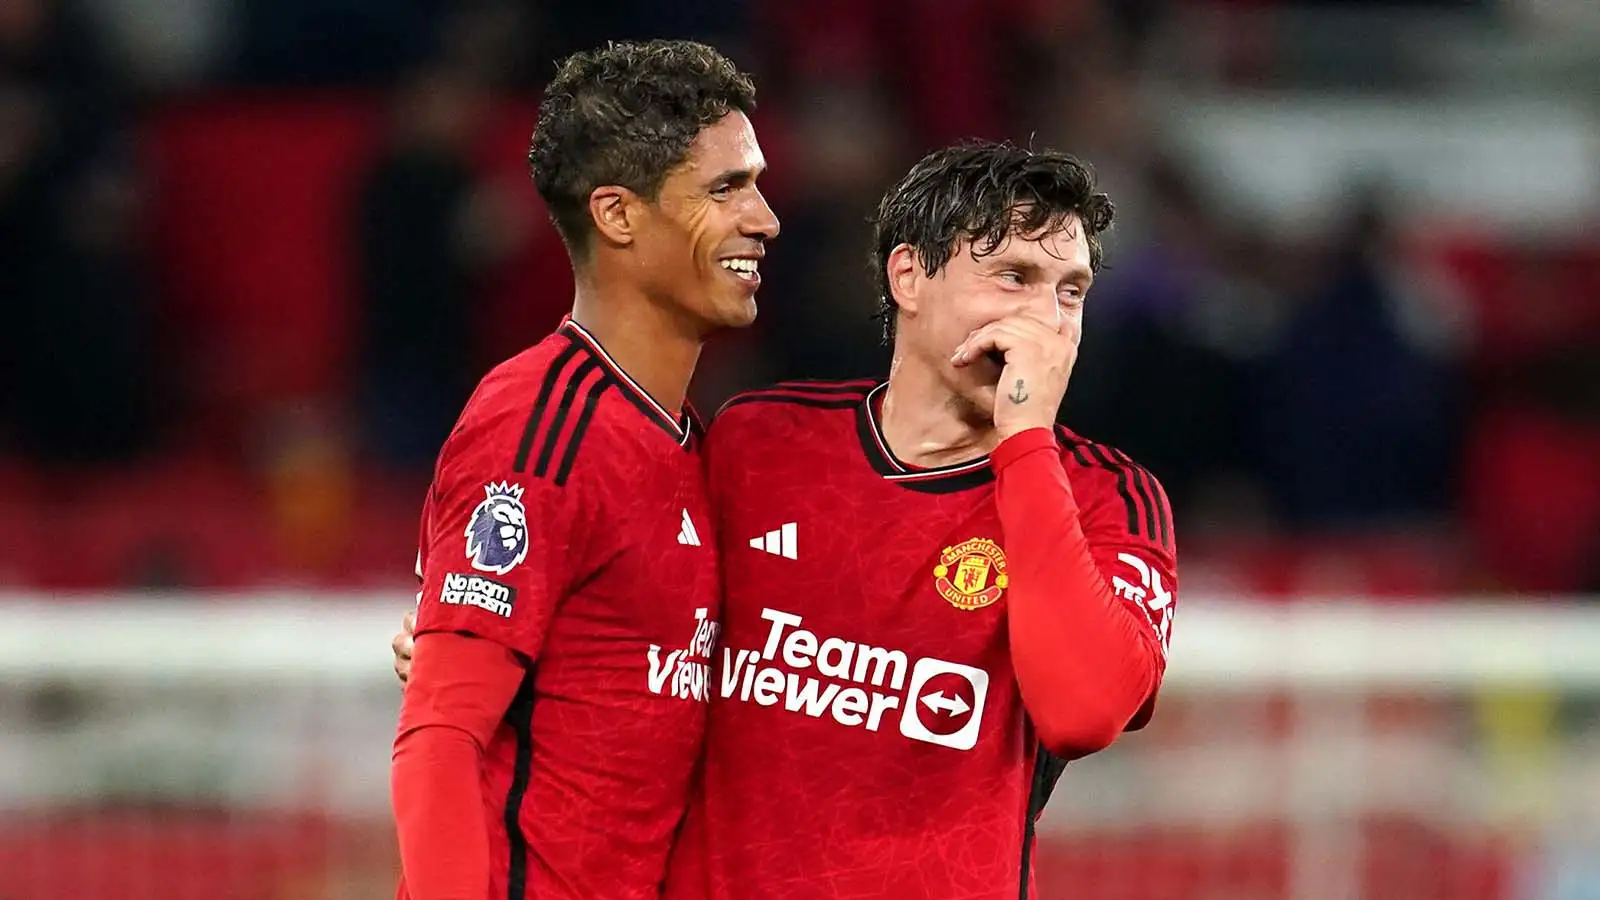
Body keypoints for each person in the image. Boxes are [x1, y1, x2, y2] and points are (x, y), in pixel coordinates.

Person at [394, 141, 1173, 898]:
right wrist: (484, 630)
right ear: (909, 275)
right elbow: (629, 608)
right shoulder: (758, 442)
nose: (1049, 321)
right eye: (1014, 277)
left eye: (1070, 292)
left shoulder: (1106, 496)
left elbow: (1083, 712)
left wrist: (1027, 443)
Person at [390, 38, 777, 900]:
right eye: (726, 188)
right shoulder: (541, 426)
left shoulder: (688, 444)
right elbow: (441, 738)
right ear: (618, 214)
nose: (765, 218)